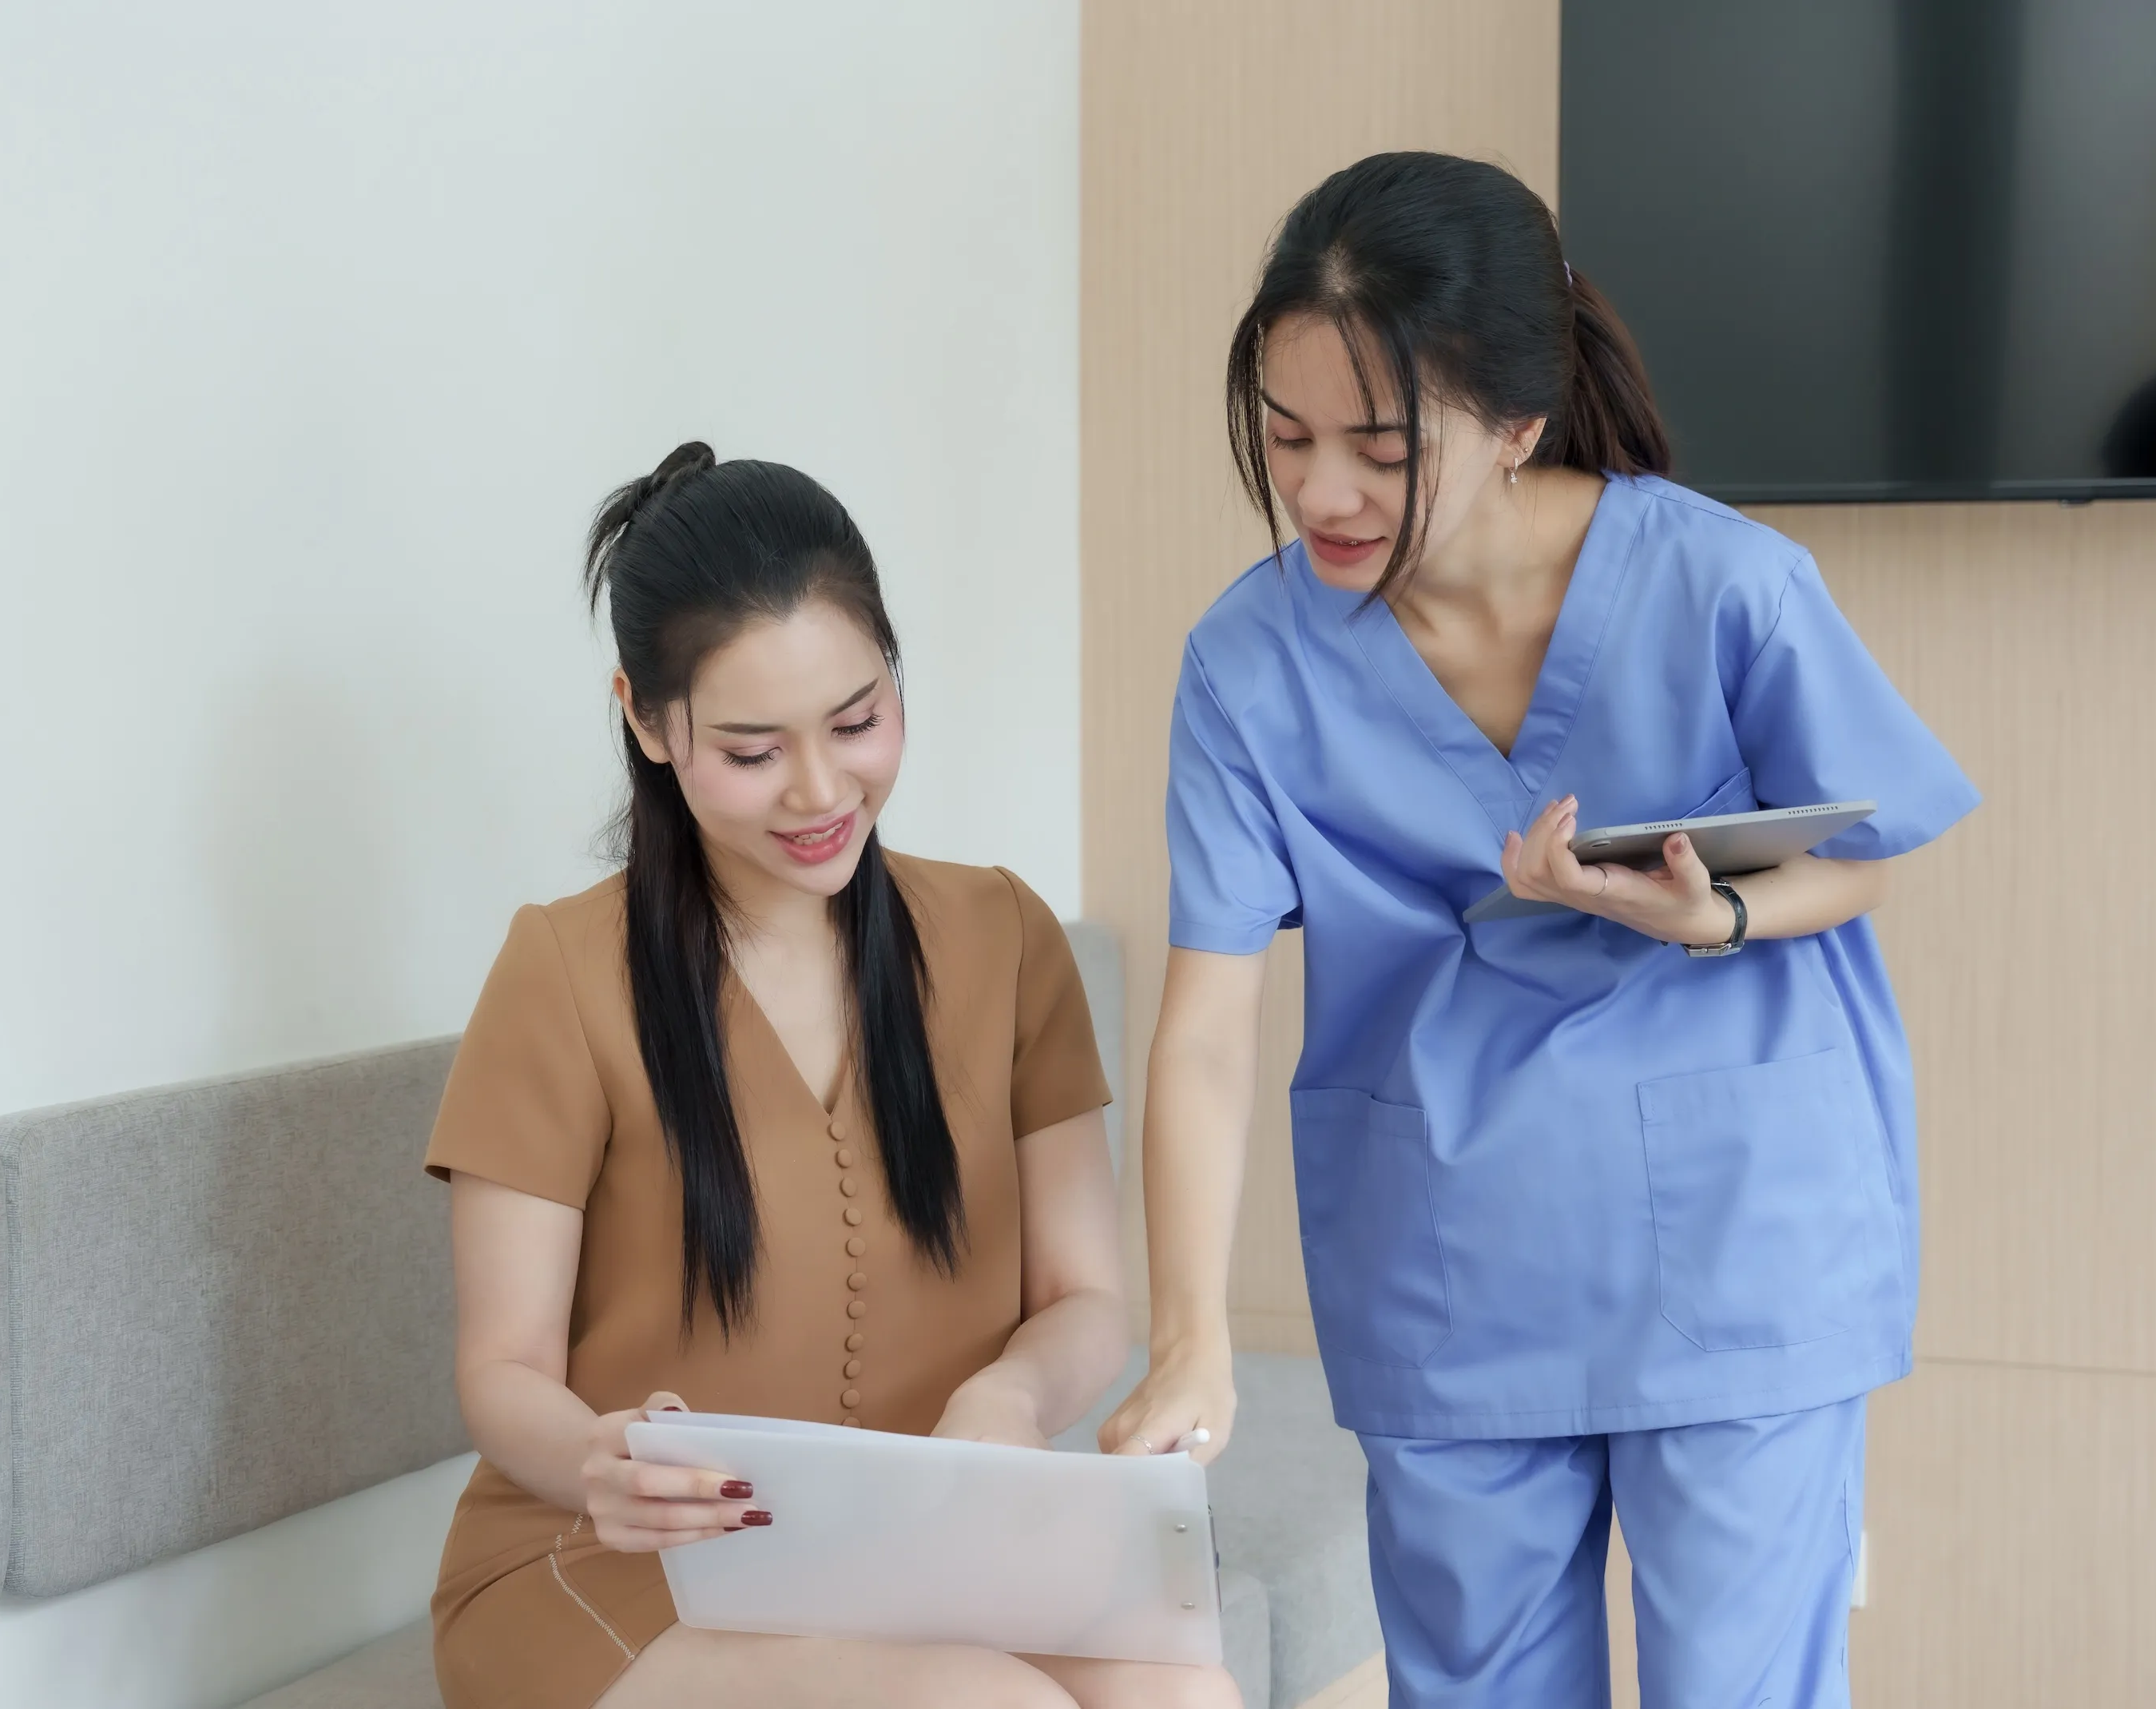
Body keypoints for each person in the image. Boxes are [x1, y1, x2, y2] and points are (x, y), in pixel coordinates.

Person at [1101, 153, 1979, 1708]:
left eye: (1377, 448)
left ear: (1514, 423)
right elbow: (1204, 1027)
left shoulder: (1720, 584)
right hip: (1448, 1265)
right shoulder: (1250, 662)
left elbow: (1863, 857)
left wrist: (1711, 914)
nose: (1317, 493)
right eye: (1284, 437)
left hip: (1736, 1241)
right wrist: (1186, 1334)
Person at [424, 443, 1242, 1709]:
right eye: (753, 751)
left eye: (857, 722)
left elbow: (1084, 1298)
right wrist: (601, 1457)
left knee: (1181, 1693)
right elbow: (503, 1370)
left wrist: (1012, 1395)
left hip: (914, 1546)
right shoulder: (561, 971)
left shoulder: (1004, 939)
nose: (820, 790)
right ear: (646, 718)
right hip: (622, 1567)